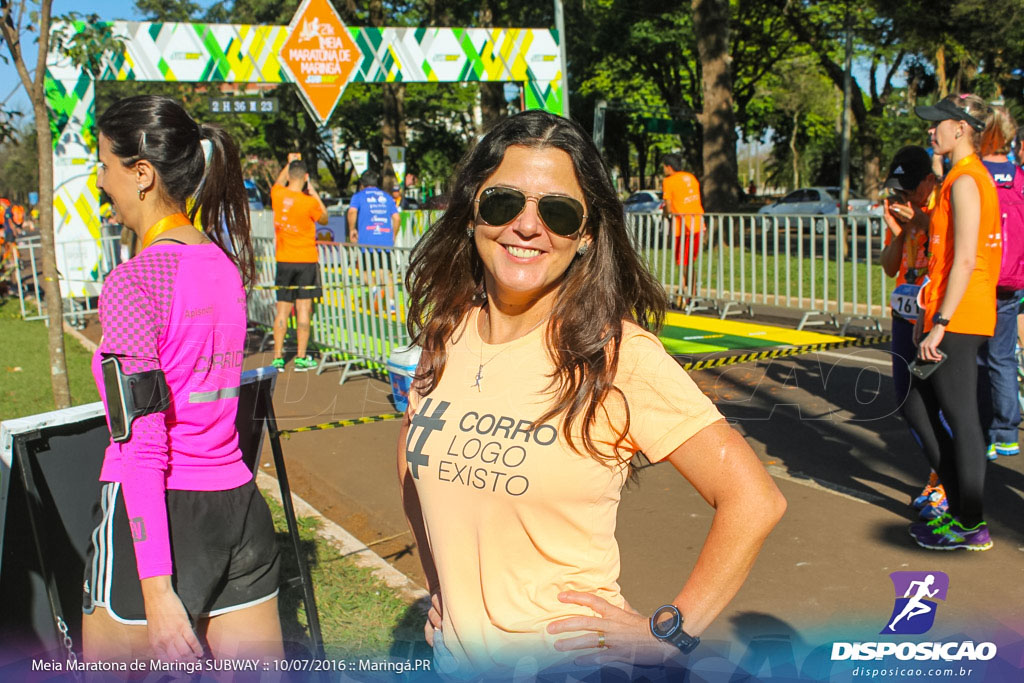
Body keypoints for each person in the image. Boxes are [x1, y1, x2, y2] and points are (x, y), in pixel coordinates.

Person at [398, 110, 786, 677]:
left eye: (556, 212)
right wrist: (441, 586)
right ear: (471, 212)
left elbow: (754, 500)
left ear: (585, 235)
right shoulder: (445, 334)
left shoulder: (618, 357)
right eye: (504, 202)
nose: (527, 227)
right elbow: (413, 465)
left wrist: (670, 632)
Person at [83, 95, 282, 663]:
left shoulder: (133, 281)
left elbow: (141, 442)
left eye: (104, 164)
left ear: (141, 173)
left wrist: (157, 590)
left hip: (158, 518)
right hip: (238, 508)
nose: (101, 180)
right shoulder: (223, 264)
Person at [905, 94, 1002, 552]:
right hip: (946, 313)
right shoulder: (956, 179)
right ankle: (963, 510)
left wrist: (941, 323)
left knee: (962, 418)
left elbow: (966, 259)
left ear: (960, 128)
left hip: (959, 317)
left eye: (937, 124)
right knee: (915, 403)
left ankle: (970, 521)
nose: (931, 131)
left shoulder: (967, 180)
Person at [879, 146, 948, 520]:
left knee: (939, 403)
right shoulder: (901, 212)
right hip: (904, 313)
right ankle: (940, 476)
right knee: (907, 401)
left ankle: (945, 482)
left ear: (928, 181)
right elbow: (889, 266)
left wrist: (920, 219)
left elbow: (951, 244)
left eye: (909, 188)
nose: (903, 196)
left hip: (934, 316)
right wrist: (901, 228)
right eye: (898, 189)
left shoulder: (943, 203)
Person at [978, 105, 1024, 460]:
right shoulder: (1019, 177)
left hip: (980, 278)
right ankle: (1007, 430)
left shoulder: (974, 175)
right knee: (1003, 357)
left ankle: (980, 429)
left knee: (975, 359)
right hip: (1012, 281)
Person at [270, 153, 329, 371]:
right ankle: (302, 357)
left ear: (289, 176)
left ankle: (278, 357)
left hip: (284, 260)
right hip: (306, 260)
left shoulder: (278, 194)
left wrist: (288, 162)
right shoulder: (309, 202)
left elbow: (278, 181)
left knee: (282, 310)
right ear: (305, 176)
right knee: (304, 309)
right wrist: (313, 191)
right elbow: (325, 217)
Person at [348, 169, 401, 313]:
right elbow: (396, 218)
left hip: (367, 241)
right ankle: (391, 304)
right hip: (385, 240)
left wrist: (352, 229)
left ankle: (374, 288)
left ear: (362, 184)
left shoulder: (359, 196)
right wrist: (393, 235)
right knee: (386, 273)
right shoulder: (387, 197)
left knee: (365, 271)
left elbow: (352, 211)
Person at [661, 153, 705, 300]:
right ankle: (688, 291)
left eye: (664, 167)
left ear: (669, 167)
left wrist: (666, 215)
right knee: (689, 261)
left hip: (684, 227)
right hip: (698, 224)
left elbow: (667, 204)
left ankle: (689, 295)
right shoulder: (691, 178)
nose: (663, 169)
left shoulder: (669, 181)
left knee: (684, 261)